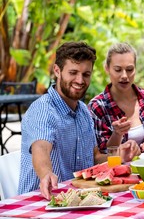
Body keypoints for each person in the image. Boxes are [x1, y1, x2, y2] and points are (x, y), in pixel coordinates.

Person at [18, 42, 105, 199]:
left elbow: (95, 157)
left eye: (86, 74)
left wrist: (121, 155)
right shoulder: (43, 109)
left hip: (78, 200)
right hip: (41, 203)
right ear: (57, 71)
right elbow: (41, 148)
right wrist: (46, 174)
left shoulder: (84, 111)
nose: (80, 80)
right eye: (73, 72)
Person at [88, 42, 144, 154]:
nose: (124, 76)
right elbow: (102, 154)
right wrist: (117, 134)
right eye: (118, 70)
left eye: (129, 69)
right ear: (107, 69)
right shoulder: (97, 107)